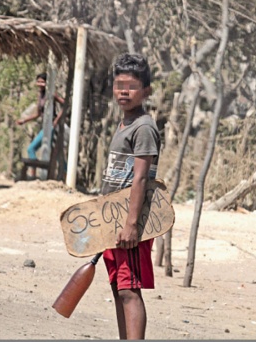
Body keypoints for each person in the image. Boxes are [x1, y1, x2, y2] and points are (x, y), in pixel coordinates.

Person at [101, 53, 160, 340]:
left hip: (130, 222)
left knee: (129, 289)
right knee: (118, 287)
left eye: (132, 86)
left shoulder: (144, 127)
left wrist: (132, 224)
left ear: (146, 91)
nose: (124, 91)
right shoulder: (125, 124)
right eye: (119, 85)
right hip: (113, 220)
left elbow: (139, 178)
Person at [16, 72, 65, 178]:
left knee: (33, 149)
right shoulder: (40, 95)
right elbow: (38, 114)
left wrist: (56, 120)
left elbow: (64, 105)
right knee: (55, 153)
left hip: (51, 127)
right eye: (38, 82)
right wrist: (24, 120)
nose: (40, 84)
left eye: (42, 82)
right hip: (45, 127)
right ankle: (35, 175)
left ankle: (37, 175)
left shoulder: (51, 94)